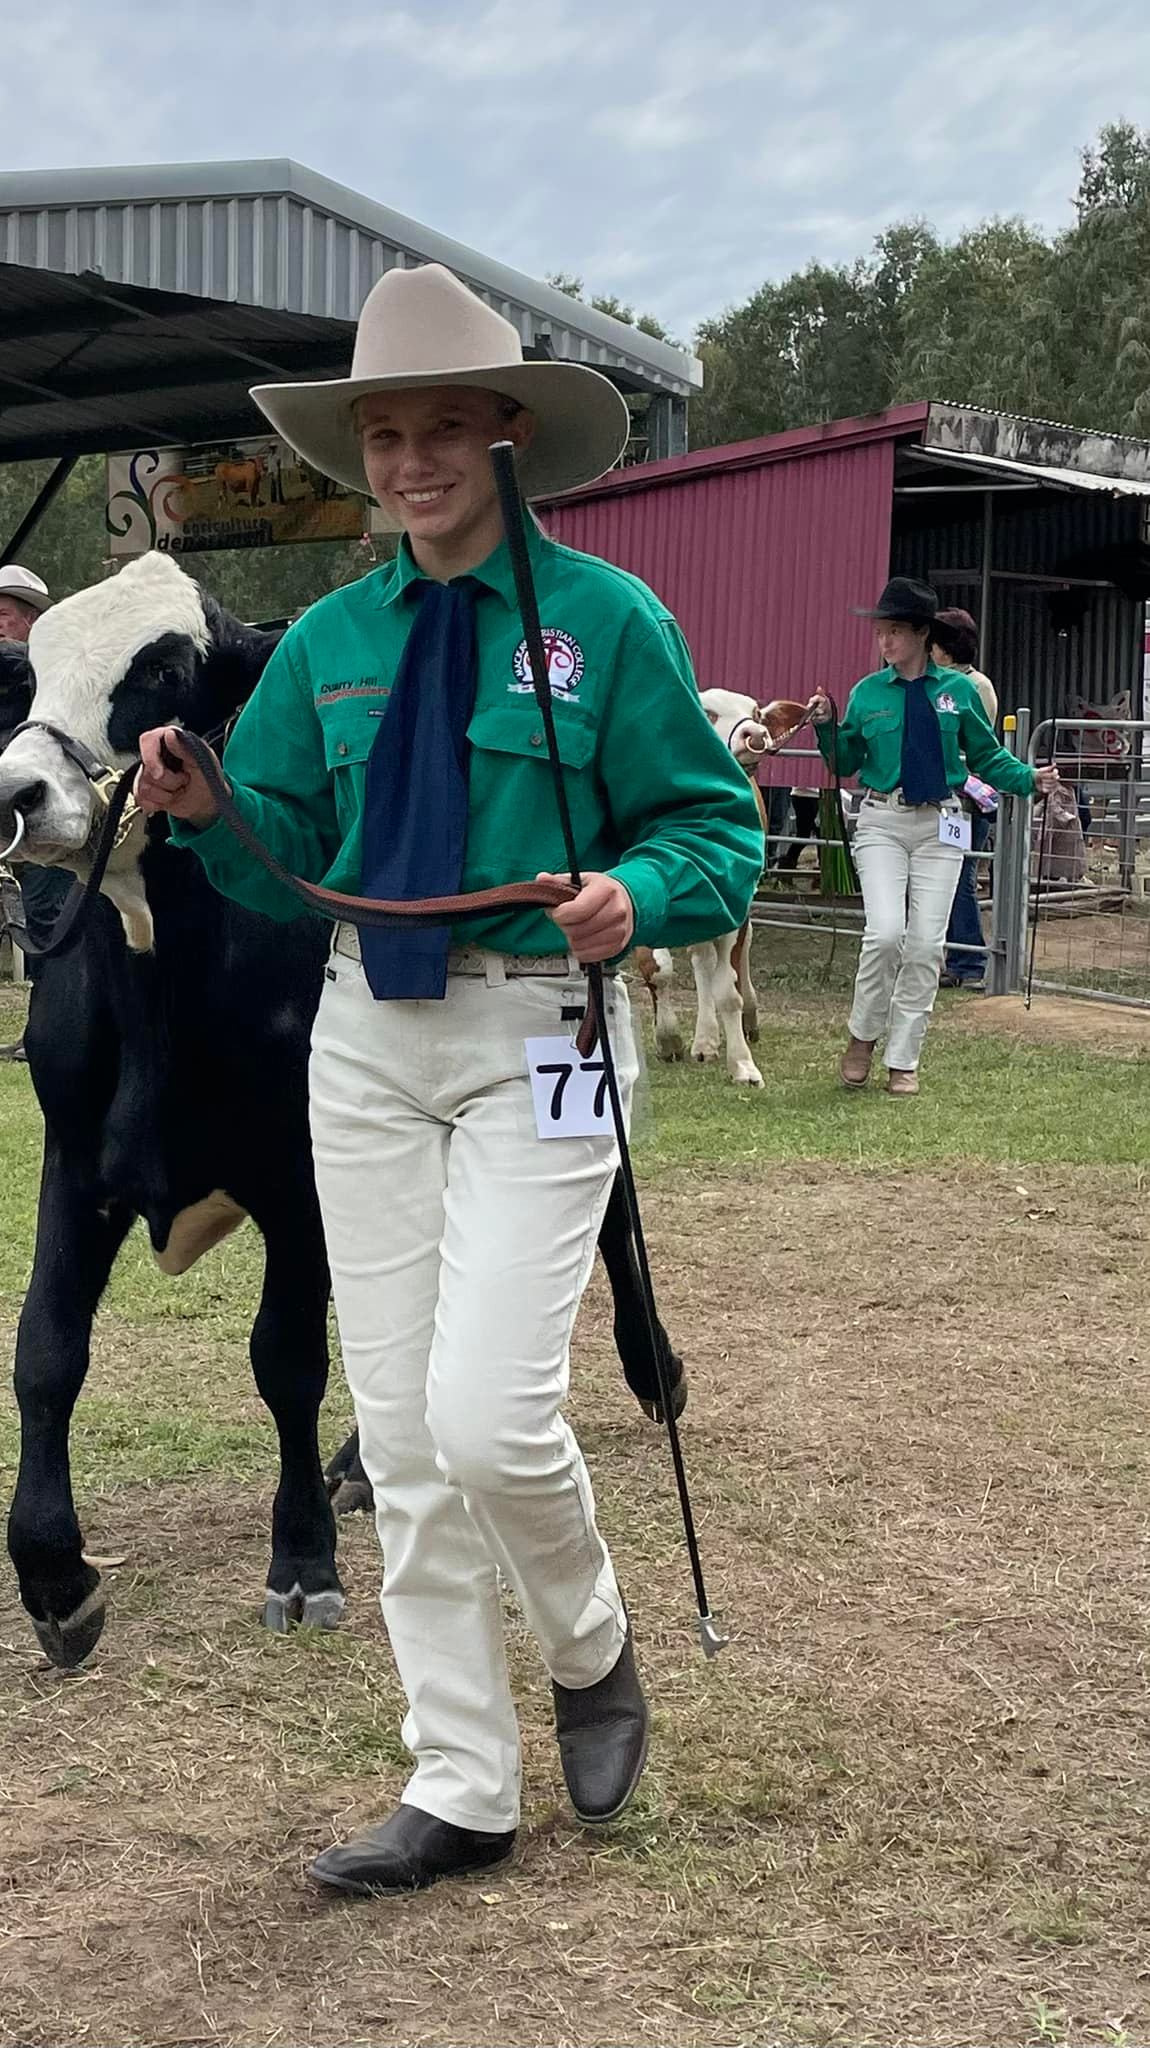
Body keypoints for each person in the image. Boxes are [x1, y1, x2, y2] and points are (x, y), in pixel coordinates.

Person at [135, 263, 762, 1896]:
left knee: (489, 1417)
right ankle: (461, 1779)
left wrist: (645, 893)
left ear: (502, 433)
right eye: (382, 433)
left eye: (438, 428)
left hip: (547, 1031)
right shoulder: (329, 641)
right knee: (400, 1438)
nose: (408, 459)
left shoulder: (608, 621)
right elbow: (290, 867)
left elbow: (714, 823)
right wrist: (208, 812)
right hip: (366, 1041)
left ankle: (590, 1640)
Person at [816, 579, 1055, 1095]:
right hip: (881, 818)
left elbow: (987, 755)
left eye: (896, 632)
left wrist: (1027, 779)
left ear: (923, 635)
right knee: (884, 933)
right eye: (881, 632)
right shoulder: (866, 693)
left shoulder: (959, 692)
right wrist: (826, 729)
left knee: (925, 945)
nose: (885, 643)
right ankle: (862, 1034)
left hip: (942, 821)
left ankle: (904, 1057)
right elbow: (846, 761)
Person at [0, 565, 63, 1060]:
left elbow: (43, 738)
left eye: (4, 615)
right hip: (22, 821)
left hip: (49, 819)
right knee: (41, 921)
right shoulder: (13, 673)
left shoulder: (47, 673)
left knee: (49, 923)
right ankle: (42, 1029)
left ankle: (48, 1030)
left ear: (29, 619)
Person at [930, 608, 1000, 986]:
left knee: (960, 878)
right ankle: (952, 958)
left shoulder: (974, 687)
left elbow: (971, 743)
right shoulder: (942, 682)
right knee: (946, 877)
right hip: (949, 798)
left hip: (969, 799)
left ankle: (969, 962)